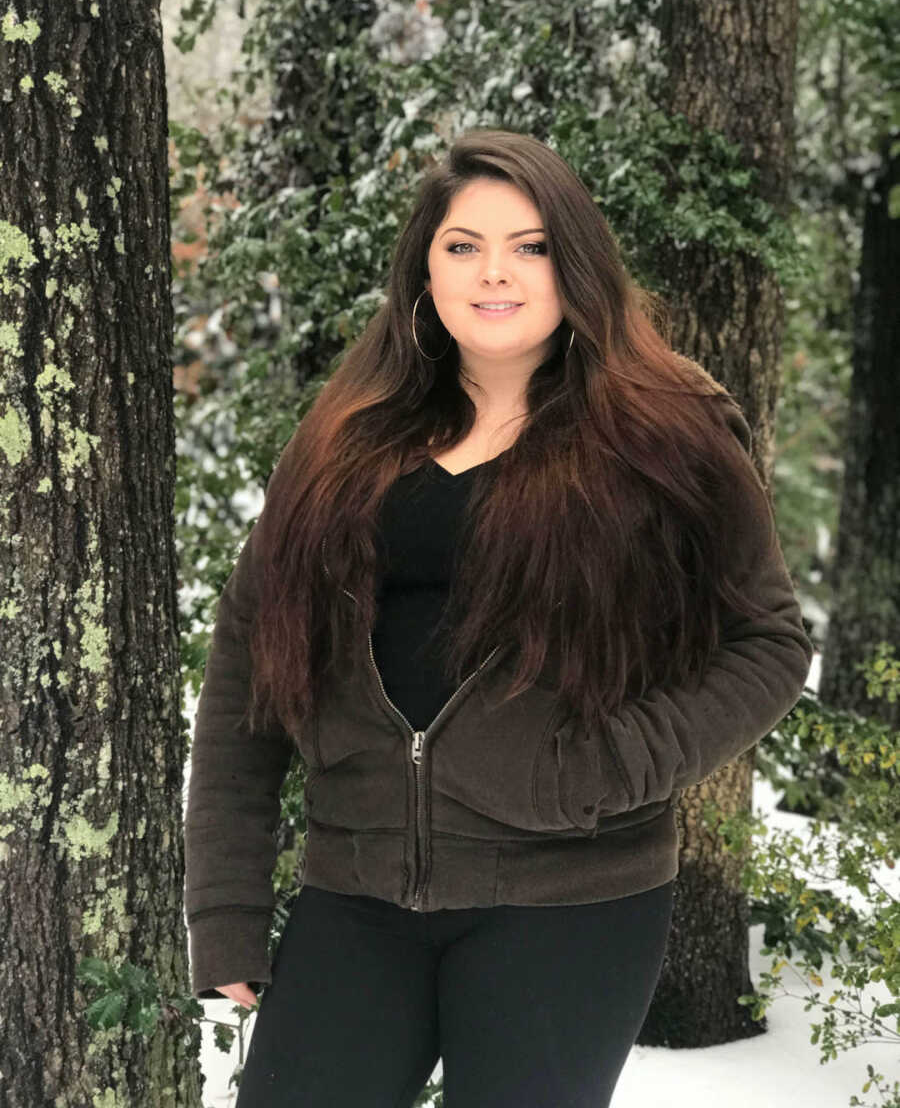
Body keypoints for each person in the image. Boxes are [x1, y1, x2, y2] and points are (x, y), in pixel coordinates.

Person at [183, 128, 813, 1107]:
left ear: (577, 265)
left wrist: (611, 765)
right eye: (463, 245)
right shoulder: (345, 437)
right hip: (357, 894)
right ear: (423, 269)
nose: (496, 274)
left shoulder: (667, 431)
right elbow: (246, 673)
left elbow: (768, 643)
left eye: (530, 246)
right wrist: (225, 909)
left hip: (570, 904)